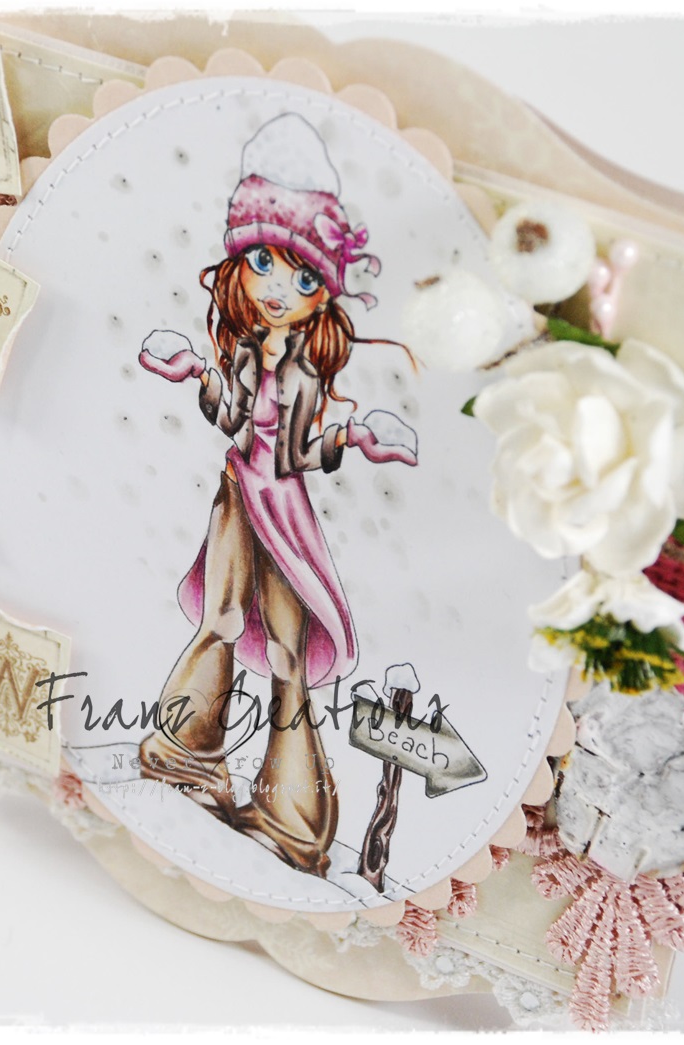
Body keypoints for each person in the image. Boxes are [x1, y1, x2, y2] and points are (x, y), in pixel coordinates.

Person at [135, 113, 417, 878]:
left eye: (301, 277)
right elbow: (233, 417)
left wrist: (354, 437)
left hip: (283, 506)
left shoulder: (303, 373)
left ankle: (293, 816)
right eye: (260, 261)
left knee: (291, 651)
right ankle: (185, 749)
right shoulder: (250, 355)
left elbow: (298, 451)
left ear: (323, 292)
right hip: (238, 489)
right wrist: (198, 373)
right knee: (224, 615)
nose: (275, 289)